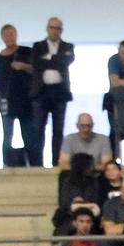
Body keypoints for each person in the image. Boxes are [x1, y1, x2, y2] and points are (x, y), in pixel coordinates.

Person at [0, 26, 38, 167]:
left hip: (26, 102)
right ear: (2, 37)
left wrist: (23, 66)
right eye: (6, 35)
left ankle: (34, 165)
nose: (9, 37)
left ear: (16, 35)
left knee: (29, 135)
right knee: (7, 134)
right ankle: (6, 163)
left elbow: (38, 71)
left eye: (11, 34)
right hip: (7, 103)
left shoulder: (26, 52)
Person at [32, 17, 76, 168]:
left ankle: (56, 162)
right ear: (47, 28)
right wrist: (57, 59)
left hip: (60, 91)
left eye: (57, 28)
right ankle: (37, 164)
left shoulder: (68, 46)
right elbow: (36, 64)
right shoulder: (38, 46)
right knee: (38, 129)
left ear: (61, 30)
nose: (54, 31)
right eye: (52, 27)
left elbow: (67, 61)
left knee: (58, 129)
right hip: (41, 92)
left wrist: (49, 59)